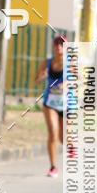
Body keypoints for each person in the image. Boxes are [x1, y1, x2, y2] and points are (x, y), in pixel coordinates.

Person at [35, 34, 66, 177]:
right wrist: (43, 76)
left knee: (64, 138)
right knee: (53, 133)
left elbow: (82, 80)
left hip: (67, 104)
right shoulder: (47, 63)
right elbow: (36, 80)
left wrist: (70, 84)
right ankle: (53, 167)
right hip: (50, 104)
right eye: (56, 44)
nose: (59, 47)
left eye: (62, 44)